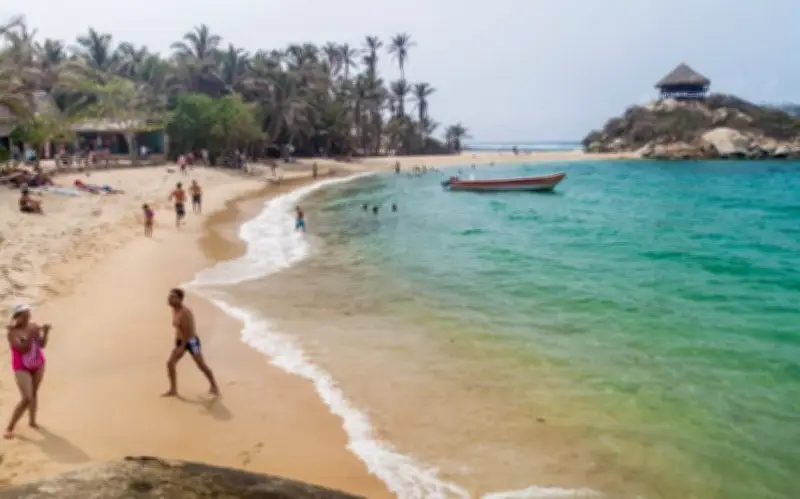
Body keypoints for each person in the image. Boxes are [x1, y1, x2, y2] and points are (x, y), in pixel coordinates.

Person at [4, 304, 50, 438]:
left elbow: (42, 345)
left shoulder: (33, 326)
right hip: (21, 367)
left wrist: (45, 333)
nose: (27, 317)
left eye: (28, 314)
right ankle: (10, 427)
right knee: (26, 398)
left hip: (38, 363)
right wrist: (31, 335)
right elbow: (22, 349)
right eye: (24, 315)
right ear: (17, 317)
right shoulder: (12, 332)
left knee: (34, 394)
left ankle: (32, 421)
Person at [163, 288, 219, 397]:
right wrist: (178, 343)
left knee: (201, 365)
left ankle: (214, 386)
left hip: (191, 342)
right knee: (170, 364)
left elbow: (189, 332)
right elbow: (179, 329)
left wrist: (182, 347)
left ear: (180, 299)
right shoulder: (174, 310)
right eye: (169, 297)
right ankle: (173, 389)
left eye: (173, 297)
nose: (169, 299)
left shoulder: (185, 313)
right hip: (180, 341)